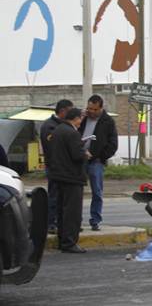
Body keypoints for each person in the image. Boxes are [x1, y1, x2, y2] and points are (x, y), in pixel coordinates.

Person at [48, 107, 89, 253]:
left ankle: (63, 240)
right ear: (76, 118)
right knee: (72, 212)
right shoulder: (72, 133)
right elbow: (77, 155)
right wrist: (85, 153)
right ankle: (70, 242)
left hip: (58, 176)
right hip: (72, 177)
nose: (80, 123)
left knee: (61, 211)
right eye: (80, 120)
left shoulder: (58, 130)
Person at [79, 94, 118, 231]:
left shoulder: (108, 122)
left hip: (96, 161)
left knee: (97, 191)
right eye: (89, 109)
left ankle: (95, 220)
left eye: (95, 109)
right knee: (77, 191)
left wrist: (100, 157)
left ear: (101, 108)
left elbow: (113, 144)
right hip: (79, 159)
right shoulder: (82, 118)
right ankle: (76, 220)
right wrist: (81, 117)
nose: (92, 112)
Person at [40, 99, 74, 234]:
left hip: (63, 168)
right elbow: (53, 147)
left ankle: (62, 223)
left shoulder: (62, 125)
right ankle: (50, 223)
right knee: (54, 196)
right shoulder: (50, 126)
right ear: (63, 111)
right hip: (54, 167)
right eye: (70, 111)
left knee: (62, 198)